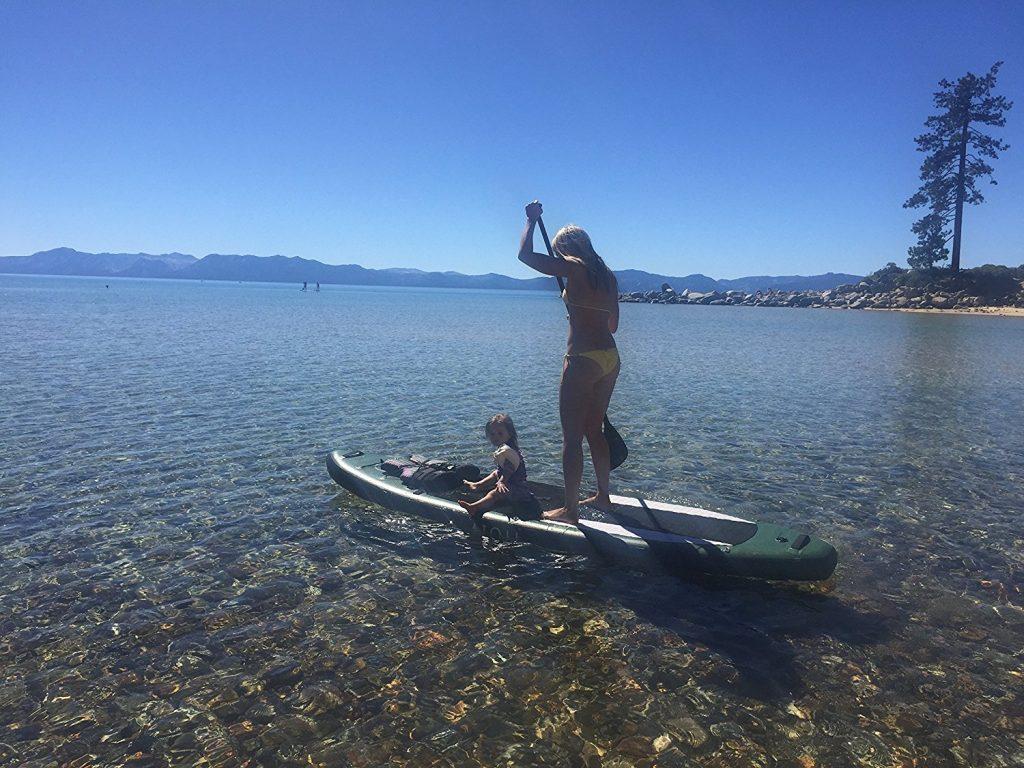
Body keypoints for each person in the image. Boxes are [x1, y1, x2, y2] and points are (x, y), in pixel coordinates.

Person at [517, 201, 620, 524]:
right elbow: (613, 325)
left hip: (582, 358)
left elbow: (526, 257)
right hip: (610, 358)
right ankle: (603, 496)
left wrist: (531, 222)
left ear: (565, 248)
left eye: (560, 251)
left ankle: (570, 510)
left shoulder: (573, 267)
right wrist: (584, 310)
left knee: (572, 436)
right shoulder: (607, 275)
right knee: (595, 429)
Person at [458, 414, 540, 519]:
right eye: (492, 434)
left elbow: (509, 469)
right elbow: (502, 470)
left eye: (500, 433)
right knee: (495, 473)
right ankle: (478, 485)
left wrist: (502, 482)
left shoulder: (508, 451)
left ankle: (474, 507)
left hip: (518, 490)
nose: (495, 437)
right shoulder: (505, 448)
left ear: (510, 434)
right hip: (511, 483)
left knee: (495, 493)